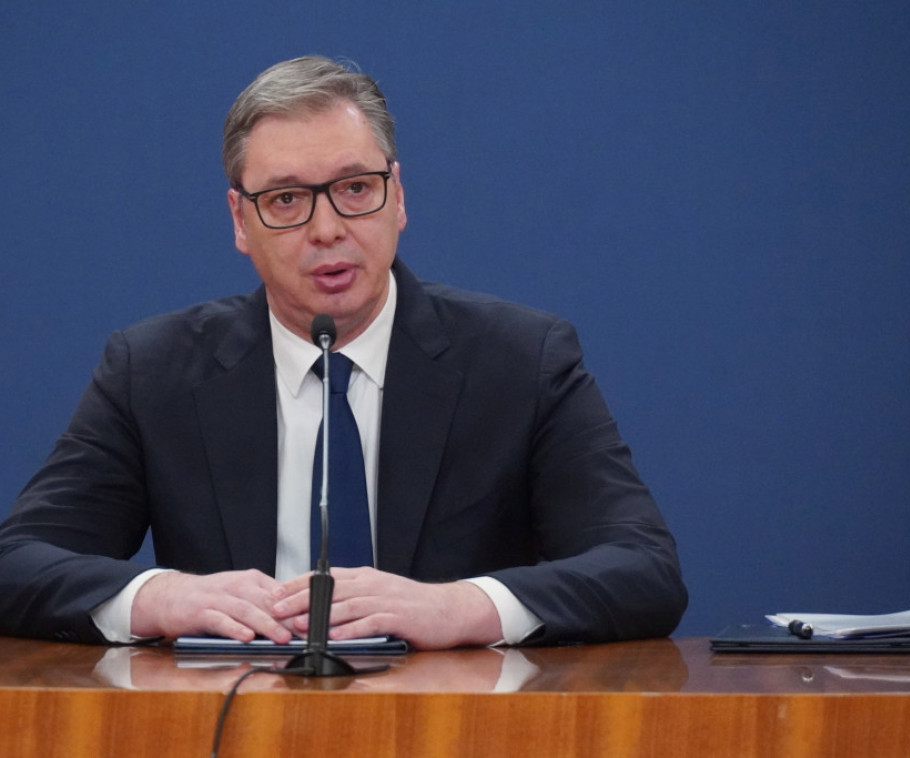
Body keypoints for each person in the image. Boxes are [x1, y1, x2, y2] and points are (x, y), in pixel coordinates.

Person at [0, 56, 686, 650]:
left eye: (355, 189)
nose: (327, 229)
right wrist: (157, 597)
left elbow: (643, 569)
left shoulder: (520, 362)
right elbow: (17, 562)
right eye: (286, 199)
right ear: (241, 221)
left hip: (455, 724)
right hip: (232, 720)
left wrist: (461, 607)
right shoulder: (153, 372)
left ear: (398, 197)